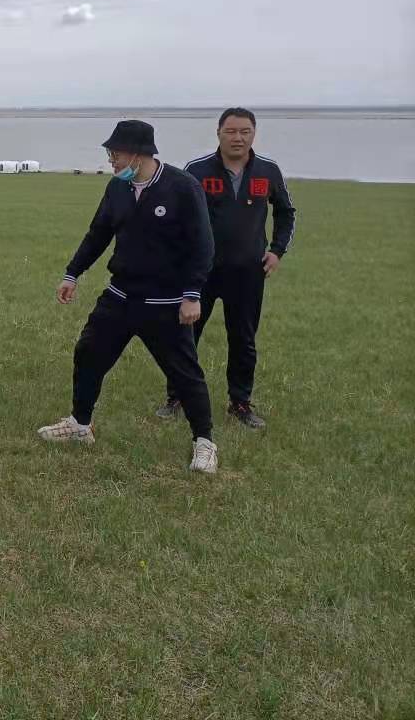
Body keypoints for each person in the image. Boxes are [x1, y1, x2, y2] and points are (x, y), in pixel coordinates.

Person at [41, 120, 219, 474]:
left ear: (139, 154)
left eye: (116, 154)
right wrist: (72, 273)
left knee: (184, 373)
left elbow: (203, 245)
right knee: (88, 353)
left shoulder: (182, 187)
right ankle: (80, 425)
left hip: (166, 303)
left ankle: (204, 442)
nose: (112, 160)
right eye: (110, 153)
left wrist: (192, 294)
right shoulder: (117, 188)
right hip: (120, 296)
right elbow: (98, 233)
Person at [156, 108, 296, 428]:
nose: (238, 138)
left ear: (254, 134)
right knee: (186, 335)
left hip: (248, 272)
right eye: (231, 131)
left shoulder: (268, 171)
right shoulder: (197, 170)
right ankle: (176, 397)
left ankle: (240, 403)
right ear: (218, 133)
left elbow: (286, 212)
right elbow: (177, 217)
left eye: (245, 131)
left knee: (243, 339)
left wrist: (277, 251)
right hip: (201, 273)